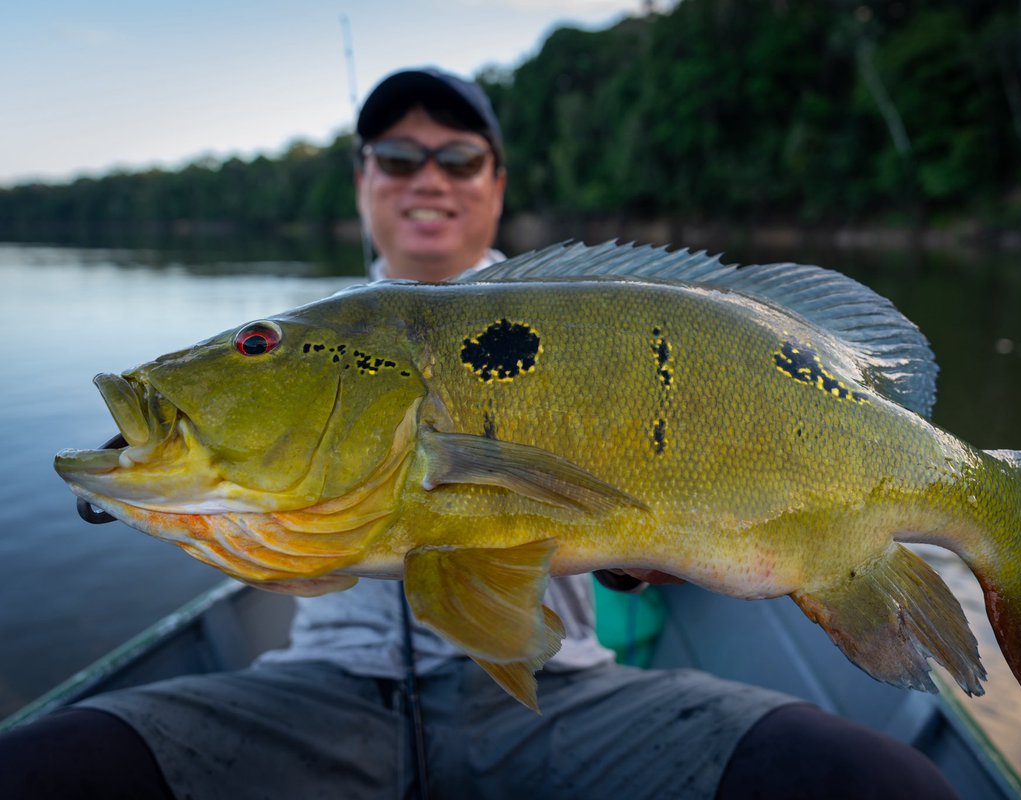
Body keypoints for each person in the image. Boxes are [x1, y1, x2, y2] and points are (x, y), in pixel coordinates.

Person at [0, 67, 957, 800]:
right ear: (363, 179)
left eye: (458, 157)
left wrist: (642, 551)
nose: (430, 179)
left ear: (496, 182)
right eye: (397, 156)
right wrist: (181, 501)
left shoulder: (605, 318)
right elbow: (298, 545)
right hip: (322, 690)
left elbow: (654, 504)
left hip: (559, 695)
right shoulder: (318, 337)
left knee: (877, 782)